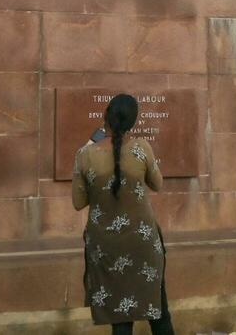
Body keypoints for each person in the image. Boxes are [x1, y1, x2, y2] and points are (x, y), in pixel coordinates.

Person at [72, 93, 173, 333]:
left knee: (120, 318)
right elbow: (157, 183)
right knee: (158, 312)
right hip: (143, 243)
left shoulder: (85, 155)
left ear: (105, 116)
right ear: (133, 123)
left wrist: (91, 144)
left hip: (106, 247)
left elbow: (78, 202)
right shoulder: (142, 149)